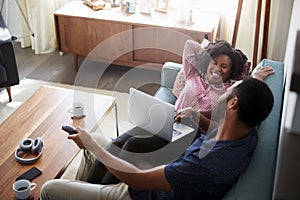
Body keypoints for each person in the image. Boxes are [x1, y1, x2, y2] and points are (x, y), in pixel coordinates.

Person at [40, 77, 274, 200]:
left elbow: (139, 181)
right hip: (159, 172)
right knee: (94, 141)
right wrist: (197, 117)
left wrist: (92, 145)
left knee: (50, 189)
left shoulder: (206, 166)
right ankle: (82, 189)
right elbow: (240, 112)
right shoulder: (247, 131)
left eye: (231, 90)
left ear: (234, 103)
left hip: (141, 193)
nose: (226, 90)